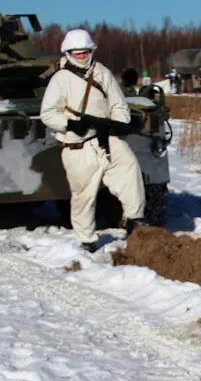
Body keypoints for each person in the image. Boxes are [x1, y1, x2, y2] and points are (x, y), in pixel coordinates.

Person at [40, 28, 146, 251]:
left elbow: (118, 104)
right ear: (68, 53)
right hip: (76, 145)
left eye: (85, 52)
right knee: (84, 195)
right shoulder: (60, 79)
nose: (81, 56)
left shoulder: (102, 73)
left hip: (105, 138)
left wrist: (117, 123)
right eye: (77, 53)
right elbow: (48, 113)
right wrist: (70, 124)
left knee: (129, 167)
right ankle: (87, 239)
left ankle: (135, 219)